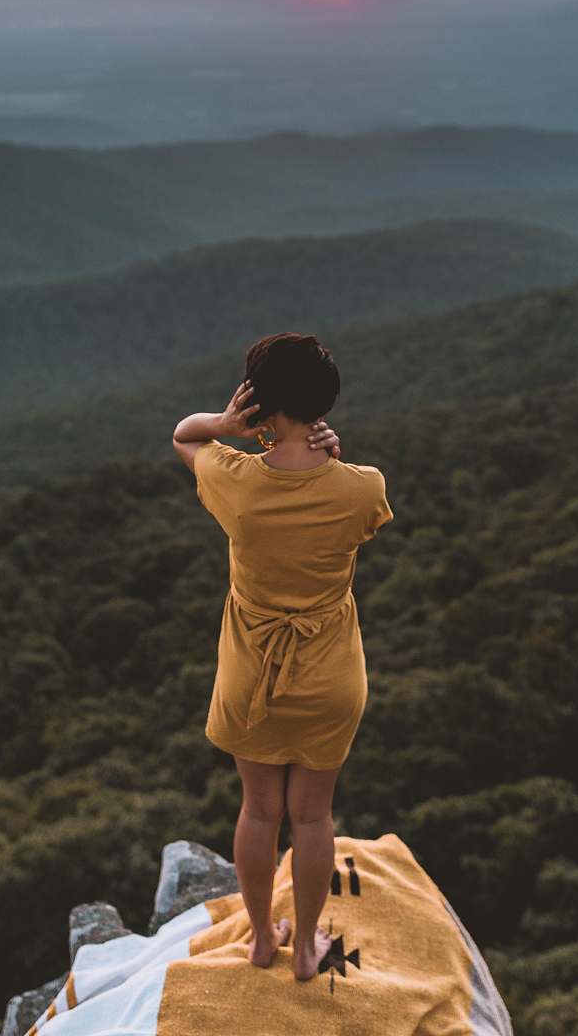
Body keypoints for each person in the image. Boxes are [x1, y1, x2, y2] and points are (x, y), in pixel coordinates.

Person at [171, 331, 394, 982]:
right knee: (313, 815)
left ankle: (264, 940)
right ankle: (305, 953)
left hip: (252, 670)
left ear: (257, 403)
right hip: (330, 676)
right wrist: (334, 456)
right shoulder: (361, 487)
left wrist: (223, 423)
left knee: (259, 810)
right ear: (324, 405)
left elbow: (186, 437)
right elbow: (358, 508)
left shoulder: (234, 481)